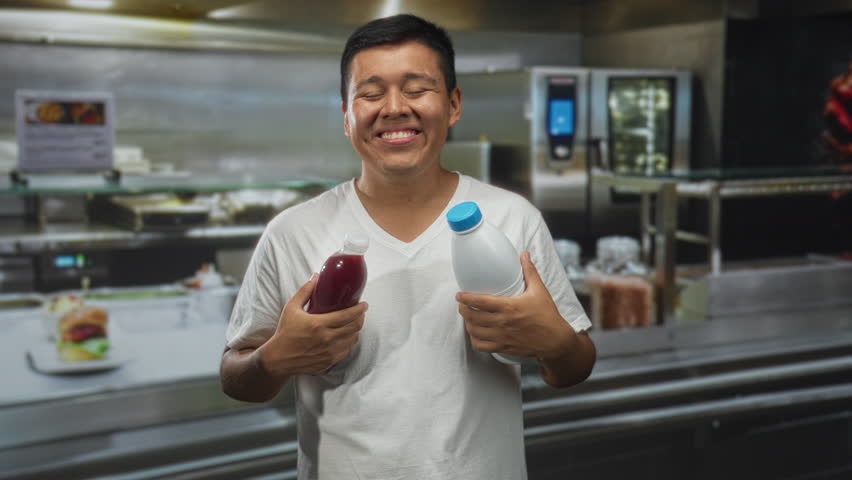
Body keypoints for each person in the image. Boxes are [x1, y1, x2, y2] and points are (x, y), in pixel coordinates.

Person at [220, 13, 596, 479]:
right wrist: (272, 358)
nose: (394, 108)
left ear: (454, 104)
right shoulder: (294, 231)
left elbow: (575, 364)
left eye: (417, 89)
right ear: (345, 116)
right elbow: (237, 377)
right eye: (371, 94)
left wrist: (555, 341)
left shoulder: (511, 218)